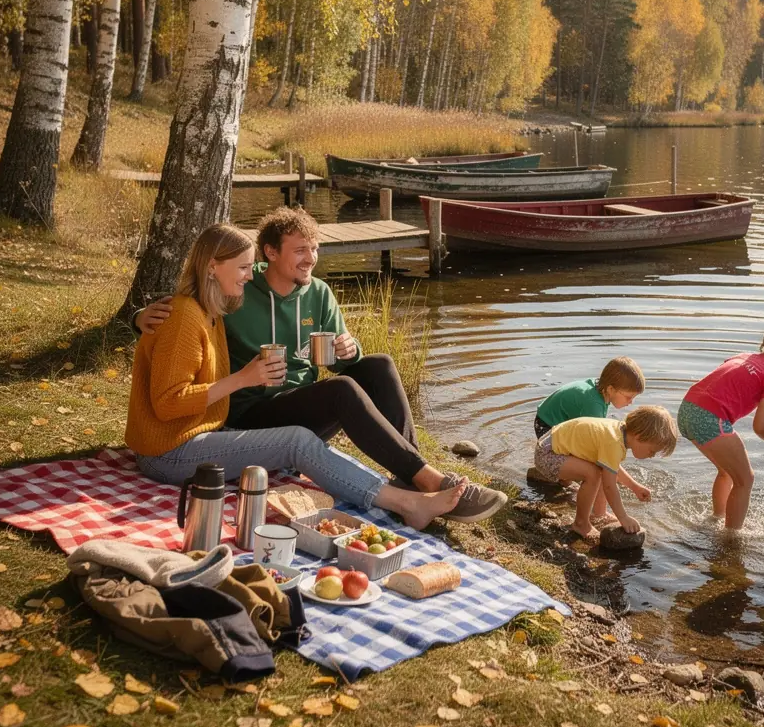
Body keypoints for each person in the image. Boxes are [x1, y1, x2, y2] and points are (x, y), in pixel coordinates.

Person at [136, 207, 506, 523]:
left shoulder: (314, 293)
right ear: (270, 253)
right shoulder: (233, 296)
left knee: (378, 365)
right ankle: (422, 484)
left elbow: (194, 309)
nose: (310, 258)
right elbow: (183, 317)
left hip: (297, 403)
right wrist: (140, 318)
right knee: (339, 393)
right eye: (300, 250)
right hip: (248, 412)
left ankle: (411, 476)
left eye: (315, 249)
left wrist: (351, 352)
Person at [677, 320, 764, 530]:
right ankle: (731, 537)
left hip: (687, 409)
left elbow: (730, 391)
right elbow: (760, 428)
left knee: (728, 472)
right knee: (745, 479)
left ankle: (717, 518)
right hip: (709, 419)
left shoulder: (744, 357)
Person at [531, 406, 677, 539]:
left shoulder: (619, 432)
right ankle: (581, 523)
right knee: (593, 474)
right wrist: (623, 517)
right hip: (547, 455)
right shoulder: (613, 443)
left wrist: (634, 487)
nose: (652, 455)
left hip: (552, 448)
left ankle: (598, 514)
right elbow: (610, 487)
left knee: (601, 469)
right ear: (639, 436)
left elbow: (611, 468)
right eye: (652, 451)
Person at [533, 357, 646, 438]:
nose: (631, 402)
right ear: (611, 389)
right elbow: (594, 439)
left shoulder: (600, 388)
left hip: (547, 417)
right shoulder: (593, 403)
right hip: (547, 425)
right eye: (629, 397)